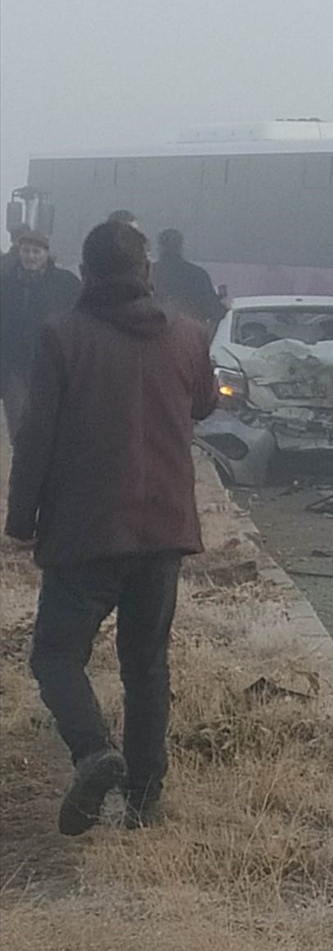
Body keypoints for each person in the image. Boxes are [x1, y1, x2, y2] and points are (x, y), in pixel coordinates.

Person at [5, 221, 218, 834]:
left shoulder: (63, 336)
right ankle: (144, 801)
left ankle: (94, 751)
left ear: (86, 273)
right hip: (164, 531)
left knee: (55, 656)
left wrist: (21, 521)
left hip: (86, 531)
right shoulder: (187, 335)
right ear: (146, 271)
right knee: (146, 666)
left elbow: (37, 435)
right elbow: (204, 403)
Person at [0, 230, 81, 440]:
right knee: (18, 419)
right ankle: (21, 453)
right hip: (14, 365)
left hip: (51, 363)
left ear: (46, 253)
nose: (30, 256)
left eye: (36, 252)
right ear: (19, 252)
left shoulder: (65, 284)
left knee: (46, 419)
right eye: (26, 251)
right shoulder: (6, 283)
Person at [150, 229, 226, 329]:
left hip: (153, 333)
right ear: (180, 248)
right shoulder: (198, 274)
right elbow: (214, 311)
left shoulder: (148, 273)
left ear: (159, 248)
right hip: (189, 334)